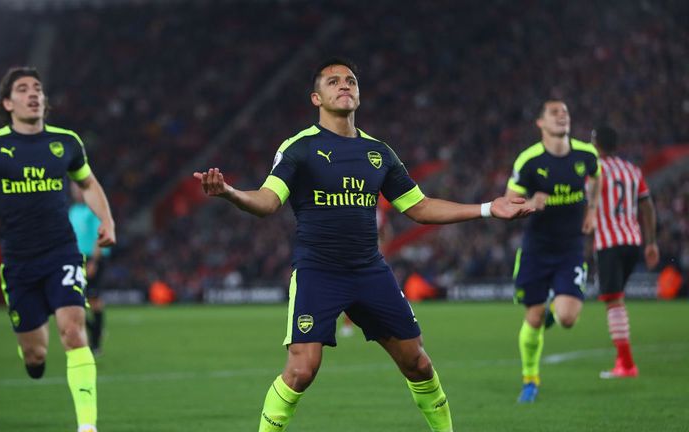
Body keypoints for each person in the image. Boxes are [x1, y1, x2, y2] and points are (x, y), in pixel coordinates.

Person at [194, 57, 533, 432]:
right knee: (302, 369)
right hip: (318, 273)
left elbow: (419, 207)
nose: (345, 85)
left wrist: (488, 207)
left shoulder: (380, 153)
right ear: (316, 98)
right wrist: (228, 192)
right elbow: (267, 201)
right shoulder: (299, 148)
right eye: (334, 81)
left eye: (351, 81)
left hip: (370, 271)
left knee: (418, 363)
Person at [0, 67, 115, 432]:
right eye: (23, 89)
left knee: (73, 332)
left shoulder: (67, 142)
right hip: (19, 262)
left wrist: (108, 221)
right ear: (7, 103)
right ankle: (31, 356)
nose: (33, 94)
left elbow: (88, 184)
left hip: (62, 252)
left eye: (38, 88)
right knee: (36, 354)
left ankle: (87, 426)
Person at [505, 100, 601, 403]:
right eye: (554, 113)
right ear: (540, 123)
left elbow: (596, 177)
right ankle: (530, 380)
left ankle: (553, 314)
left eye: (566, 112)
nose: (562, 116)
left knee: (568, 318)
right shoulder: (529, 161)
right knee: (533, 317)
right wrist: (532, 201)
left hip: (570, 248)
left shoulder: (587, 154)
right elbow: (508, 203)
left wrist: (593, 211)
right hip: (536, 250)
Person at [591, 125, 659, 378]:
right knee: (616, 299)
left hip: (609, 243)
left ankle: (626, 364)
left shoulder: (594, 169)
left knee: (613, 301)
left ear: (596, 143)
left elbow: (585, 202)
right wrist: (651, 242)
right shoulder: (632, 170)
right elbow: (648, 206)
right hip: (633, 241)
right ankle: (625, 361)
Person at [69, 183, 111, 356]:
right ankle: (96, 331)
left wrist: (94, 260)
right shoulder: (72, 211)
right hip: (75, 258)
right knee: (74, 301)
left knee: (93, 300)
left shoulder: (93, 209)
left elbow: (99, 235)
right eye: (74, 189)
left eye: (79, 188)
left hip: (92, 258)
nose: (76, 192)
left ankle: (95, 341)